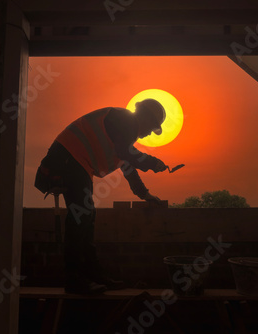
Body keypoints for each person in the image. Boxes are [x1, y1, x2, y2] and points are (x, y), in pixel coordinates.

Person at [34, 99, 168, 294]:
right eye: (152, 127)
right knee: (81, 217)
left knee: (86, 216)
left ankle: (93, 275)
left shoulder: (123, 134)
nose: (149, 133)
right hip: (68, 157)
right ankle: (74, 280)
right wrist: (152, 162)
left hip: (76, 161)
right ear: (145, 116)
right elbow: (127, 154)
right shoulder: (125, 120)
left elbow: (128, 168)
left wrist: (145, 194)